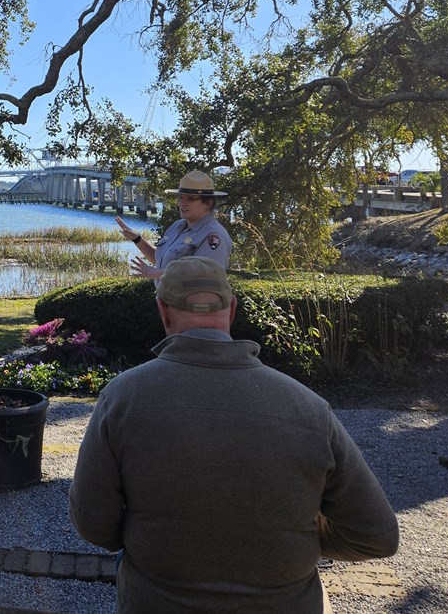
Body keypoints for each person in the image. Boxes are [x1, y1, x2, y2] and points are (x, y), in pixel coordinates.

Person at [69, 257, 399, 613]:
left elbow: (94, 524)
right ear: (232, 310)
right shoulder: (308, 407)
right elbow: (377, 536)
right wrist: (291, 533)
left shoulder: (122, 397)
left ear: (163, 311)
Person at [115, 169, 232, 279]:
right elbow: (161, 261)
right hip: (166, 300)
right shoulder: (178, 226)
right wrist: (137, 239)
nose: (182, 203)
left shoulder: (214, 235)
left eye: (190, 199)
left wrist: (156, 273)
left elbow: (204, 276)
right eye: (180, 197)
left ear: (208, 203)